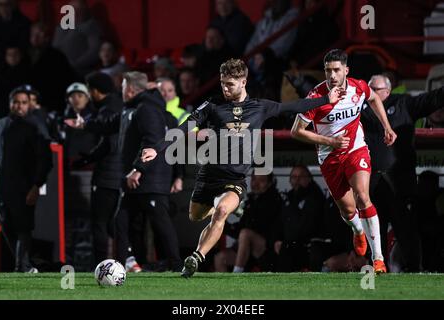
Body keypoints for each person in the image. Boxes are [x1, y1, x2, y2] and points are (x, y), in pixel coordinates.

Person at [139, 58, 345, 278]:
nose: (225, 88)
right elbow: (186, 126)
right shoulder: (212, 105)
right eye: (222, 83)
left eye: (230, 84)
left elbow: (293, 106)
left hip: (235, 179)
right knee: (195, 216)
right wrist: (158, 149)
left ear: (244, 81)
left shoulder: (260, 107)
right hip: (209, 176)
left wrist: (326, 99)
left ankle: (195, 258)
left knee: (221, 212)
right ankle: (214, 207)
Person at [291, 49, 397, 274]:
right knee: (349, 211)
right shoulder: (315, 98)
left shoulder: (358, 87)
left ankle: (378, 258)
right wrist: (329, 140)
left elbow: (374, 97)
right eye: (328, 70)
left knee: (362, 196)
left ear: (345, 71)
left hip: (355, 149)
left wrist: (386, 127)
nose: (332, 75)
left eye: (336, 70)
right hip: (329, 157)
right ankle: (358, 229)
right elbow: (296, 131)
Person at [66, 72, 182, 272]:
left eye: (122, 87)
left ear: (129, 89)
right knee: (121, 220)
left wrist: (138, 169)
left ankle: (177, 264)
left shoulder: (147, 109)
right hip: (136, 178)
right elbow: (109, 124)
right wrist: (85, 124)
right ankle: (121, 265)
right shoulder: (131, 108)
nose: (120, 91)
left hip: (150, 177)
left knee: (160, 221)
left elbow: (152, 141)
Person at [361, 74, 444, 271]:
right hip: (373, 184)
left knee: (407, 231)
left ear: (388, 92)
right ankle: (373, 272)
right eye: (369, 89)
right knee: (373, 231)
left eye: (376, 89)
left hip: (400, 184)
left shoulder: (403, 104)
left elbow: (431, 99)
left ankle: (414, 271)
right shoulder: (361, 109)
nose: (371, 93)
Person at [0, 87, 52, 272]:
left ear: (29, 105)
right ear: (10, 103)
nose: (19, 106)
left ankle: (23, 266)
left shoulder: (36, 126)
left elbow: (45, 158)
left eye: (23, 102)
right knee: (6, 226)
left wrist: (37, 184)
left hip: (25, 185)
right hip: (3, 186)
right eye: (16, 102)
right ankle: (25, 264)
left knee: (23, 227)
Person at [74, 72, 123, 265]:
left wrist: (88, 158)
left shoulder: (106, 110)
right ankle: (125, 261)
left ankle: (103, 264)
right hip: (121, 173)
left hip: (108, 176)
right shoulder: (119, 105)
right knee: (116, 223)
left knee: (101, 223)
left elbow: (109, 144)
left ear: (95, 90)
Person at [273, 165, 326, 272]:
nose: (297, 180)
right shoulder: (289, 197)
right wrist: (277, 239)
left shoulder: (315, 196)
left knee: (288, 248)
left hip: (306, 244)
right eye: (294, 177)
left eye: (301, 176)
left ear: (309, 178)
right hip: (289, 243)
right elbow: (279, 222)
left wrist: (287, 241)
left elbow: (308, 226)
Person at [232, 172, 282, 273]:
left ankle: (235, 274)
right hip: (248, 250)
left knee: (245, 234)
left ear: (269, 183)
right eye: (254, 179)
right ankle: (227, 288)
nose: (256, 183)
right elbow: (240, 228)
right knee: (220, 258)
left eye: (261, 180)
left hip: (268, 250)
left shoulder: (274, 200)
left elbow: (256, 227)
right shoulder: (251, 200)